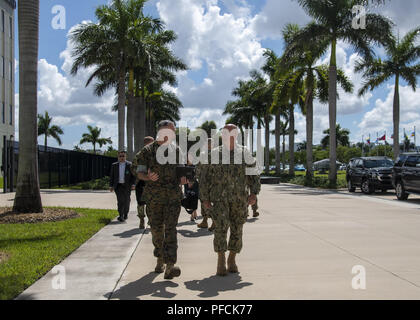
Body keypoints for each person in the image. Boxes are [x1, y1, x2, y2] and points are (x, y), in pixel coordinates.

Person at [200, 124, 261, 276]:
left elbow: (254, 174)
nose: (229, 135)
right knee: (220, 228)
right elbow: (204, 178)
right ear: (222, 135)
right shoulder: (213, 154)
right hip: (219, 199)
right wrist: (205, 198)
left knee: (237, 229)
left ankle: (232, 258)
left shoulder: (245, 153)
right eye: (226, 132)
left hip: (239, 199)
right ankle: (220, 260)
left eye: (232, 132)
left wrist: (254, 193)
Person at [132, 120, 187, 280]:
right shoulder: (147, 151)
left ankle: (170, 265)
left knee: (171, 229)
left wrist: (184, 179)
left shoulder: (176, 150)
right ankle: (159, 257)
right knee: (157, 230)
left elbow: (182, 171)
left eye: (173, 131)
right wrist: (147, 176)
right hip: (154, 198)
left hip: (173, 197)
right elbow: (138, 171)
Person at [109, 151, 136, 222]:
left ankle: (125, 214)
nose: (122, 157)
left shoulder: (130, 165)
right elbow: (112, 176)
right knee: (120, 200)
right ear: (118, 157)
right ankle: (121, 215)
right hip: (118, 186)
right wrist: (111, 186)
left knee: (127, 200)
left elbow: (133, 176)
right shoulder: (114, 165)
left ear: (125, 156)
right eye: (120, 156)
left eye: (123, 156)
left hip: (127, 186)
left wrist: (133, 184)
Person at [135, 136, 155, 229]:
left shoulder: (156, 154)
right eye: (151, 143)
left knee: (151, 203)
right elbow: (133, 167)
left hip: (152, 182)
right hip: (141, 182)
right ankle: (142, 220)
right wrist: (140, 175)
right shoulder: (140, 154)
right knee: (141, 203)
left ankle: (151, 220)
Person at [197, 138, 215, 231]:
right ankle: (204, 221)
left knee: (204, 201)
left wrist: (195, 177)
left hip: (204, 182)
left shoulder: (203, 155)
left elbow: (198, 169)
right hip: (214, 182)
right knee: (209, 201)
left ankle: (214, 221)